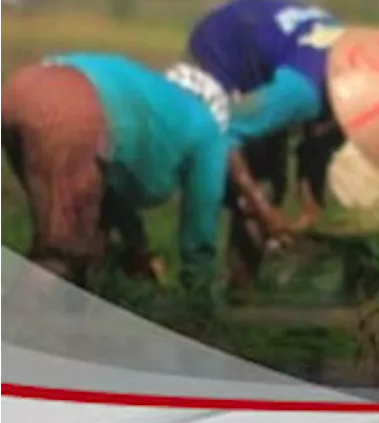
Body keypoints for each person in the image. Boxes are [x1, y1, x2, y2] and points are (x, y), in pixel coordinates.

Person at [0, 53, 289, 295]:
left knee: (77, 233)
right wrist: (198, 293)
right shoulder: (208, 131)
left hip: (23, 86)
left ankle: (65, 333)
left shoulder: (156, 101)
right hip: (70, 104)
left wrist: (138, 249)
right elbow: (201, 219)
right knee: (62, 251)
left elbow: (112, 196)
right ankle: (16, 335)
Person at [185, 0, 348, 292]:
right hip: (223, 41)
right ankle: (207, 288)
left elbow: (316, 148)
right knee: (258, 181)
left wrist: (312, 213)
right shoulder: (302, 93)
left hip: (271, 44)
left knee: (271, 174)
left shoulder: (358, 92)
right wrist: (264, 210)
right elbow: (225, 132)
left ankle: (243, 288)